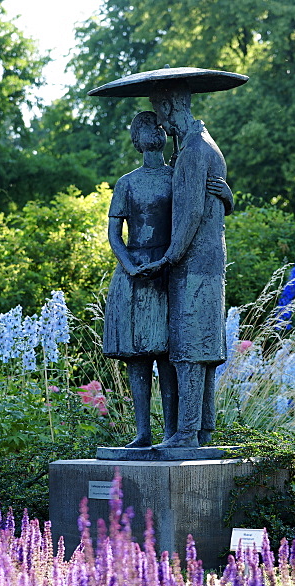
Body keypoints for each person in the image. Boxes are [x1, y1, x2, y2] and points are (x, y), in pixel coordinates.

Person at [139, 83, 233, 448]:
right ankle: (202, 430)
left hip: (193, 266)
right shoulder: (204, 144)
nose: (161, 124)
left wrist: (169, 257)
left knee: (190, 350)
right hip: (209, 263)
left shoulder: (194, 150)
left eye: (161, 114)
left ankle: (186, 434)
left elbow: (192, 212)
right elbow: (214, 200)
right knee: (206, 349)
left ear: (173, 106)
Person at [103, 111, 178, 447]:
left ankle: (172, 432)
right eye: (143, 127)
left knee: (167, 355)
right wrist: (130, 266)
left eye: (157, 125)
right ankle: (142, 432)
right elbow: (114, 233)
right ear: (135, 139)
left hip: (167, 271)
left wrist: (167, 260)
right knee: (138, 358)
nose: (152, 131)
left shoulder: (177, 177)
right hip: (133, 274)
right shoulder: (127, 182)